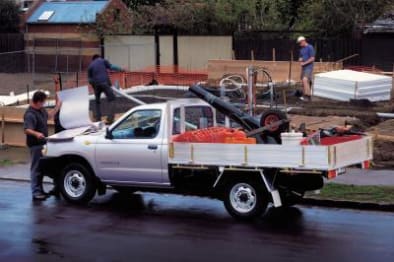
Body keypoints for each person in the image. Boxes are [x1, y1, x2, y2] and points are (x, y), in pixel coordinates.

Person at [24, 91, 61, 201]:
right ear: (38, 102)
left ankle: (41, 191)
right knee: (36, 169)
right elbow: (26, 129)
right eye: (43, 102)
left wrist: (58, 106)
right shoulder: (30, 114)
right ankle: (36, 192)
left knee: (43, 168)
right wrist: (36, 133)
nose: (44, 104)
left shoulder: (41, 110)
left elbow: (49, 116)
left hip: (43, 144)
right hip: (35, 145)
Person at [88, 54, 123, 124]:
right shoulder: (102, 60)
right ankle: (110, 119)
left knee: (97, 102)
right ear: (99, 57)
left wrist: (95, 87)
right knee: (112, 99)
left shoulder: (90, 66)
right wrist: (121, 69)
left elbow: (90, 80)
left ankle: (98, 119)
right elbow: (111, 67)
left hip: (96, 85)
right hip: (104, 83)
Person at [297, 36, 315, 101]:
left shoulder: (310, 47)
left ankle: (308, 95)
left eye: (300, 43)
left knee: (305, 80)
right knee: (303, 81)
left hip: (309, 67)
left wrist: (304, 63)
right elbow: (300, 58)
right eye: (299, 43)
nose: (300, 44)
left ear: (303, 41)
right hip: (303, 68)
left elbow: (312, 58)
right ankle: (305, 95)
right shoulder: (301, 49)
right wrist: (300, 59)